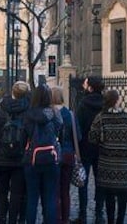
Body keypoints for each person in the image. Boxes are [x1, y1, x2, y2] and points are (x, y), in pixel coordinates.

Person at [88, 90, 127, 224]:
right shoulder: (126, 118)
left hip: (106, 164)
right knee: (122, 197)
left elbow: (92, 137)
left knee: (109, 195)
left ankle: (110, 220)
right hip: (123, 165)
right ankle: (119, 220)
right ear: (116, 101)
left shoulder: (101, 118)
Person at [0, 81, 31, 224]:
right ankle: (14, 219)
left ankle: (1, 218)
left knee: (1, 191)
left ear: (12, 92)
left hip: (1, 156)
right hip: (20, 158)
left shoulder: (2, 108)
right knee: (17, 192)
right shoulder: (29, 109)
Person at [23, 84, 62, 224]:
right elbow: (59, 130)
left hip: (32, 158)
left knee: (32, 199)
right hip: (51, 158)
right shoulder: (55, 113)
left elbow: (25, 133)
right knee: (50, 198)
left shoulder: (28, 114)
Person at [72, 76, 104, 224]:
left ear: (90, 88)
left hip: (85, 147)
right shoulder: (105, 104)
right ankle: (99, 213)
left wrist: (77, 147)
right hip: (101, 147)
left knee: (82, 181)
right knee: (100, 182)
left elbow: (78, 128)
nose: (83, 86)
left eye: (85, 84)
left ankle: (83, 214)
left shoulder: (83, 104)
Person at [52, 87, 77, 224]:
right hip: (68, 154)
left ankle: (56, 218)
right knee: (65, 190)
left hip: (53, 154)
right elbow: (77, 136)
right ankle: (65, 219)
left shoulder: (49, 113)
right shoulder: (70, 114)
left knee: (54, 190)